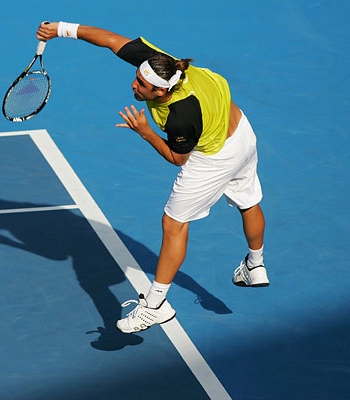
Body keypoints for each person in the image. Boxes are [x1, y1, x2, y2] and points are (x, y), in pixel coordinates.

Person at [36, 21, 269, 333]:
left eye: (141, 86)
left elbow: (178, 158)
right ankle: (256, 264)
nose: (134, 85)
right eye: (136, 77)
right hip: (241, 133)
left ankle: (156, 306)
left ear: (160, 91)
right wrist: (62, 29)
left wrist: (145, 132)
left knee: (174, 224)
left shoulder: (180, 116)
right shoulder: (165, 66)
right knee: (247, 200)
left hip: (215, 156)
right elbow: (110, 40)